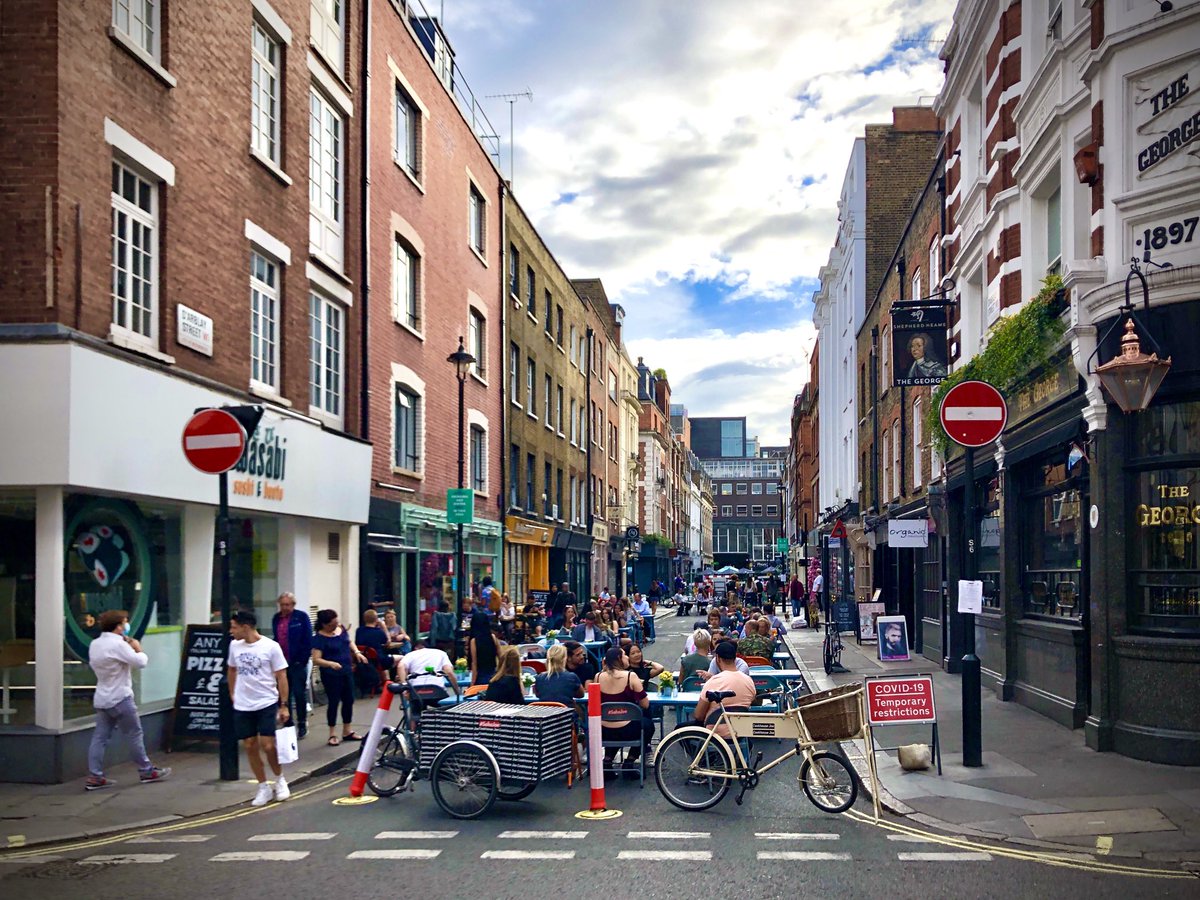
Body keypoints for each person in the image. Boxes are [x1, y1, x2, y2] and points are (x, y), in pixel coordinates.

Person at [84, 610, 171, 791]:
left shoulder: (95, 644)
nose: (126, 626)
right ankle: (146, 770)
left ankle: (95, 776)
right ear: (118, 627)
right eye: (125, 623)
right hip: (121, 697)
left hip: (102, 697)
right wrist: (138, 648)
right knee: (134, 734)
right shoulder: (118, 645)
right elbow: (140, 662)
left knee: (99, 738)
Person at [227, 610, 291, 807]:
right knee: (249, 745)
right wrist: (233, 694)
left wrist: (284, 705)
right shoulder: (234, 646)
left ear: (245, 627)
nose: (231, 631)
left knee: (268, 745)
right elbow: (231, 669)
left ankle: (280, 780)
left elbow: (281, 676)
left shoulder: (270, 647)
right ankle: (263, 786)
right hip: (243, 704)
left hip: (266, 702)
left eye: (234, 627)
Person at [312, 609, 366, 746]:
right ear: (325, 625)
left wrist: (357, 652)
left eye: (337, 622)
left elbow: (348, 642)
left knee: (349, 700)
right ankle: (332, 733)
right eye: (332, 624)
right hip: (331, 674)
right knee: (334, 702)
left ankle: (347, 730)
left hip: (346, 670)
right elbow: (316, 659)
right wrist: (330, 663)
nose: (336, 625)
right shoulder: (319, 638)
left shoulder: (340, 629)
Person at [597, 647, 654, 776]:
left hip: (604, 730)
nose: (627, 657)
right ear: (619, 659)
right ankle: (630, 760)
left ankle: (608, 760)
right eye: (624, 655)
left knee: (615, 726)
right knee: (648, 725)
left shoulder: (598, 676)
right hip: (627, 729)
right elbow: (645, 704)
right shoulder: (630, 676)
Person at [691, 640, 757, 737]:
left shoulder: (713, 681)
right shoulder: (749, 681)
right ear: (735, 658)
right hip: (740, 732)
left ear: (718, 658)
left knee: (679, 729)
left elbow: (699, 715)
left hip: (714, 733)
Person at [270, 592, 313, 740]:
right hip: (281, 662)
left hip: (297, 661)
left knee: (299, 692)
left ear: (293, 605)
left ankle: (302, 722)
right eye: (282, 605)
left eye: (287, 605)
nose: (284, 607)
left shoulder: (301, 617)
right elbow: (276, 638)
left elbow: (308, 639)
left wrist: (302, 659)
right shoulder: (276, 618)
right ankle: (287, 721)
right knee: (282, 693)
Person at [354, 609, 398, 679]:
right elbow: (388, 642)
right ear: (376, 619)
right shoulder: (379, 632)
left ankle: (386, 681)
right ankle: (398, 681)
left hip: (365, 659)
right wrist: (384, 627)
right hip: (379, 660)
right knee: (402, 658)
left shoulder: (359, 630)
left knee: (384, 665)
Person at [467, 610, 500, 686]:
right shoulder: (493, 637)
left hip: (480, 677)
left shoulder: (474, 641)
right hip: (493, 674)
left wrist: (472, 684)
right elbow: (501, 656)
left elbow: (474, 664)